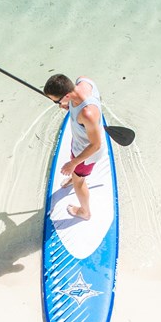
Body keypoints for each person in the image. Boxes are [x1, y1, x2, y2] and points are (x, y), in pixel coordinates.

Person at [43, 73, 104, 221]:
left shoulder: (87, 114)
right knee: (75, 174)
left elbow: (96, 145)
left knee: (79, 182)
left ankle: (85, 212)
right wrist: (70, 106)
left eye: (55, 101)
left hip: (86, 154)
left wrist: (73, 163)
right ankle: (74, 176)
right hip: (78, 142)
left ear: (66, 96)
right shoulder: (83, 81)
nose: (56, 103)